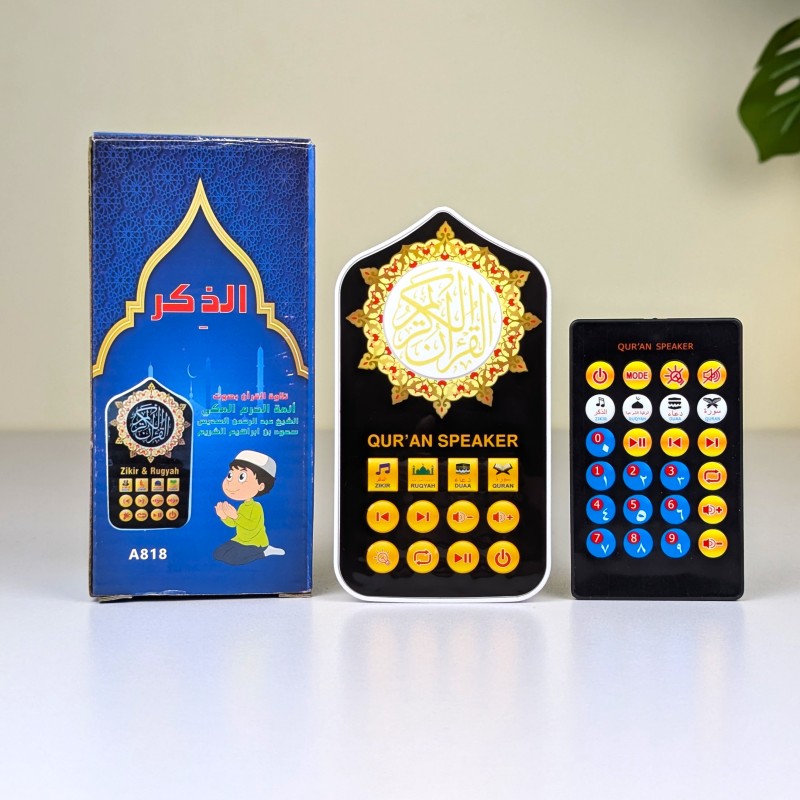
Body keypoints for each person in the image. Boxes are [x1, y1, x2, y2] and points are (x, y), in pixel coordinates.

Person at [213, 450, 285, 565]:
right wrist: (224, 516)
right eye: (230, 475)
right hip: (240, 540)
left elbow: (251, 526)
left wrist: (236, 516)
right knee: (218, 554)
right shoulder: (242, 506)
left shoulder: (256, 507)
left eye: (241, 477)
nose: (231, 483)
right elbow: (234, 524)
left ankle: (265, 551)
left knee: (233, 559)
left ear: (261, 486)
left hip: (256, 543)